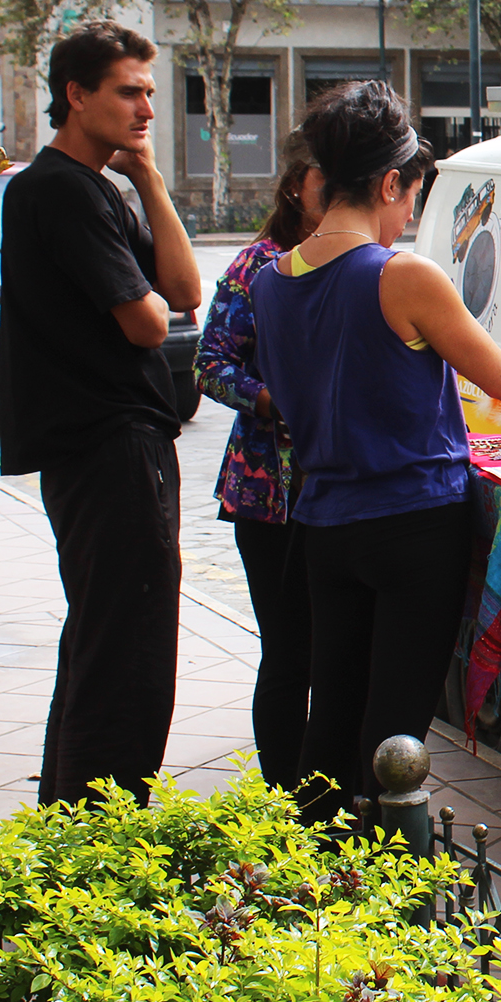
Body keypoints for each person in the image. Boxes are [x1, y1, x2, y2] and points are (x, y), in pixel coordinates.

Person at [251, 82, 501, 823]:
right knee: (396, 726)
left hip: (323, 525)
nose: (410, 214)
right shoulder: (401, 274)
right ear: (390, 182)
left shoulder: (270, 279)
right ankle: (390, 889)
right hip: (413, 526)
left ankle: (315, 883)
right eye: (411, 196)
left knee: (332, 712)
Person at [0, 20, 202, 805]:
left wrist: (148, 177)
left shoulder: (102, 187)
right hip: (109, 445)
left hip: (121, 443)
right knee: (129, 649)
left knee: (108, 637)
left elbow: (183, 292)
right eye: (128, 90)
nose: (145, 105)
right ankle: (102, 827)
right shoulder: (57, 187)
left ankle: (76, 825)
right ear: (77, 95)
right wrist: (149, 303)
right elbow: (149, 322)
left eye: (150, 91)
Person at [195, 157, 322, 789]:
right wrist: (271, 400)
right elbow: (210, 362)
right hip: (267, 493)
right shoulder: (258, 264)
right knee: (288, 651)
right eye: (324, 179)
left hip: (338, 492)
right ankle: (283, 795)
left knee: (332, 651)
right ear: (296, 187)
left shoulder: (357, 265)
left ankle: (328, 797)